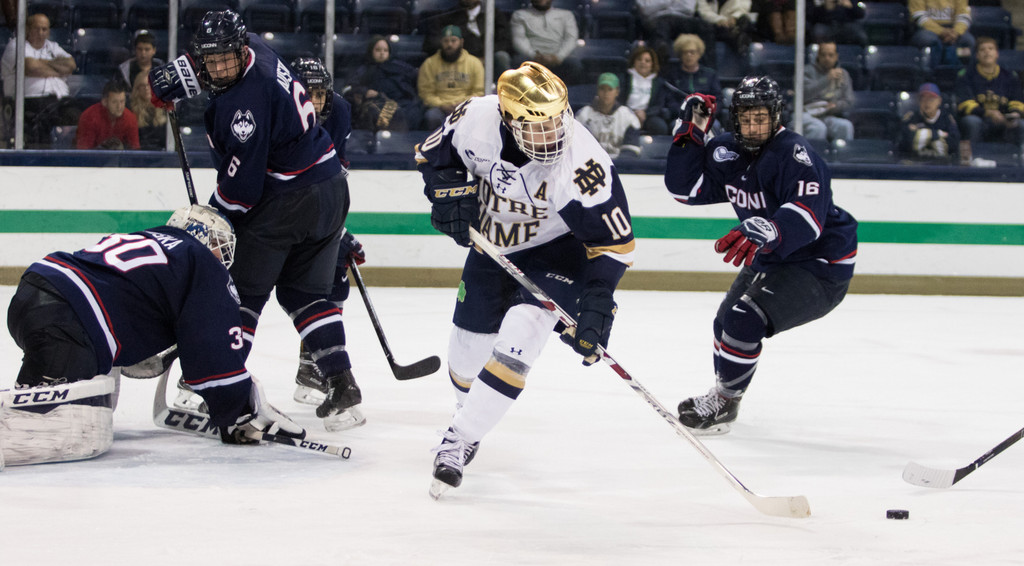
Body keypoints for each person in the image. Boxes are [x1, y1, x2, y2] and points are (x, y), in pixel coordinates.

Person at [419, 62, 635, 496]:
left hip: (558, 253)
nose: (554, 133)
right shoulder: (475, 120)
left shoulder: (582, 164)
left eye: (559, 118)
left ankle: (458, 440)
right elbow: (432, 158)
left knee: (520, 339)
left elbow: (613, 246)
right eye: (539, 126)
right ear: (508, 118)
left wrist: (596, 303)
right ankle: (471, 418)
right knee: (464, 363)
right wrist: (447, 195)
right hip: (492, 247)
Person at [147, 10, 363, 432]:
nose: (220, 67)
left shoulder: (243, 107)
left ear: (240, 49)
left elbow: (241, 192)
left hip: (289, 200)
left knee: (240, 293)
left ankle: (215, 386)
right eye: (211, 60)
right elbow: (211, 60)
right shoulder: (258, 49)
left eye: (227, 58)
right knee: (306, 295)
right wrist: (180, 75)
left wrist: (210, 220)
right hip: (331, 189)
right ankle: (342, 386)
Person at [2, 204, 305, 467]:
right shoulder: (201, 263)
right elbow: (212, 352)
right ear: (203, 238)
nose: (222, 257)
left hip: (35, 291)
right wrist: (239, 409)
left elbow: (125, 303)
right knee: (44, 424)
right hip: (67, 320)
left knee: (94, 408)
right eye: (219, 246)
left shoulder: (149, 239)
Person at [664, 76, 857, 435]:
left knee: (743, 320)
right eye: (746, 119)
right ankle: (725, 395)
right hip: (771, 255)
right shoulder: (728, 151)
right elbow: (684, 189)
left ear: (776, 117)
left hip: (820, 263)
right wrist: (690, 134)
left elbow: (809, 218)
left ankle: (723, 402)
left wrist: (773, 229)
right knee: (725, 324)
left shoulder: (797, 155)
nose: (753, 127)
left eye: (761, 119)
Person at [287, 55, 366, 409]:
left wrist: (338, 229)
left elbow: (334, 179)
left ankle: (312, 367)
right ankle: (205, 372)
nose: (315, 103)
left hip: (315, 213)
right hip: (271, 218)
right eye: (308, 94)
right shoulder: (277, 116)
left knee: (335, 280)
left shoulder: (340, 113)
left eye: (321, 95)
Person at [0, 13, 78, 148]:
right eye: (37, 28)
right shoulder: (16, 45)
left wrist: (42, 64)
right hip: (28, 102)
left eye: (44, 29)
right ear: (28, 29)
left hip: (60, 101)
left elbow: (71, 65)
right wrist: (57, 68)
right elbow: (31, 67)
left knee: (78, 115)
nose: (41, 33)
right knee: (42, 123)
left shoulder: (52, 46)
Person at [955, 37, 1024, 153]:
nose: (987, 52)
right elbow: (965, 103)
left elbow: (1017, 101)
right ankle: (973, 158)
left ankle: (1019, 158)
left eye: (991, 49)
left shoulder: (1010, 76)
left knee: (1020, 124)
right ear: (976, 55)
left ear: (997, 54)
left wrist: (1013, 114)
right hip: (980, 118)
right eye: (982, 50)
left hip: (1004, 119)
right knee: (972, 122)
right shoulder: (966, 75)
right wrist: (988, 113)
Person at [347, 35, 421, 132]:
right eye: (378, 50)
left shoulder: (400, 67)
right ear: (371, 51)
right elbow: (351, 87)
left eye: (385, 50)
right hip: (380, 104)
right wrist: (365, 91)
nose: (382, 53)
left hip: (403, 104)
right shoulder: (364, 70)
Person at [418, 25, 485, 131]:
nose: (449, 44)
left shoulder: (474, 63)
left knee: (476, 118)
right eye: (446, 41)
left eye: (453, 40)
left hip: (466, 107)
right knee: (431, 117)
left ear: (461, 42)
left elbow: (479, 92)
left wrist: (462, 104)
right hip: (439, 108)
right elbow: (426, 93)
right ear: (441, 42)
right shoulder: (429, 64)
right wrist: (442, 105)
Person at [421, 0, 512, 76]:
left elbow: (505, 41)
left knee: (502, 57)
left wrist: (485, 58)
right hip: (460, 62)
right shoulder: (449, 16)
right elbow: (431, 43)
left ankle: (503, 90)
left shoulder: (494, 14)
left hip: (488, 60)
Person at [510, 0, 583, 85]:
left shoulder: (567, 15)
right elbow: (519, 39)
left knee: (574, 64)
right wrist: (533, 55)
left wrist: (558, 57)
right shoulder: (519, 15)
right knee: (518, 62)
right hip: (531, 58)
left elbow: (571, 39)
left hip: (558, 59)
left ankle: (564, 94)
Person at [663, 34, 722, 136]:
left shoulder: (710, 74)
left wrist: (707, 114)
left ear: (699, 54)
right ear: (680, 55)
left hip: (706, 116)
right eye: (685, 52)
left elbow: (718, 99)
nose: (689, 55)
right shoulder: (672, 75)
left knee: (715, 126)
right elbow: (670, 101)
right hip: (681, 118)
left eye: (692, 52)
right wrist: (685, 114)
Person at [798, 41, 854, 143]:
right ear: (818, 56)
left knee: (846, 126)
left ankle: (841, 158)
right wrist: (826, 79)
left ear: (836, 57)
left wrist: (835, 106)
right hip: (805, 113)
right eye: (823, 55)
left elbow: (848, 101)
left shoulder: (843, 74)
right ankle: (812, 158)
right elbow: (803, 95)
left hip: (828, 115)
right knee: (818, 128)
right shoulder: (806, 71)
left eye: (830, 55)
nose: (827, 58)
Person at [577, 72, 642, 158]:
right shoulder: (583, 115)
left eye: (610, 89)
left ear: (617, 92)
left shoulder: (628, 117)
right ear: (597, 90)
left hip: (620, 166)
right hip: (591, 165)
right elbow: (578, 148)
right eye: (602, 89)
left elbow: (631, 150)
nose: (606, 93)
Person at [637, 0, 718, 69]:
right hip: (656, 19)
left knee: (705, 27)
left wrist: (660, 4)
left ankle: (709, 70)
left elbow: (688, 9)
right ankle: (659, 63)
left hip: (681, 18)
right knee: (661, 27)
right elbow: (646, 9)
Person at [899, 82, 960, 164]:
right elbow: (903, 144)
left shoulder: (947, 119)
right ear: (918, 101)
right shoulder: (911, 118)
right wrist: (939, 135)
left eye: (931, 99)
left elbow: (954, 144)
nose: (927, 103)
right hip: (915, 164)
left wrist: (920, 135)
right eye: (923, 99)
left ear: (939, 101)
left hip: (942, 166)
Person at [619, 45, 672, 135]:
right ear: (634, 62)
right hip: (626, 113)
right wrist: (631, 112)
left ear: (652, 64)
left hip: (648, 115)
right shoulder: (625, 78)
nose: (643, 62)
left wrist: (645, 113)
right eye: (639, 59)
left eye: (647, 61)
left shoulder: (658, 82)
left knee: (661, 127)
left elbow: (659, 105)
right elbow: (619, 99)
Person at [75, 79, 140, 150]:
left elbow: (135, 150)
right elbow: (83, 152)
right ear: (104, 102)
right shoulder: (89, 117)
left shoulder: (130, 118)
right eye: (114, 102)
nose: (119, 107)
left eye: (122, 101)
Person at [909, 0, 974, 69]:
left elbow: (964, 16)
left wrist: (956, 32)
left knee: (968, 41)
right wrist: (941, 31)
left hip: (953, 29)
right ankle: (931, 72)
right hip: (927, 29)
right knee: (927, 39)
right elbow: (918, 16)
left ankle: (959, 72)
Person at [119, 30, 164, 94]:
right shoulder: (125, 70)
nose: (143, 53)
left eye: (147, 49)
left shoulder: (161, 68)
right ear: (135, 50)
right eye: (140, 49)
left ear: (154, 50)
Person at [130, 73, 167, 150]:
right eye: (143, 85)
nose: (146, 88)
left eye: (149, 84)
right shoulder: (131, 110)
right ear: (137, 89)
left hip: (162, 155)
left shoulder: (164, 108)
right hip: (139, 155)